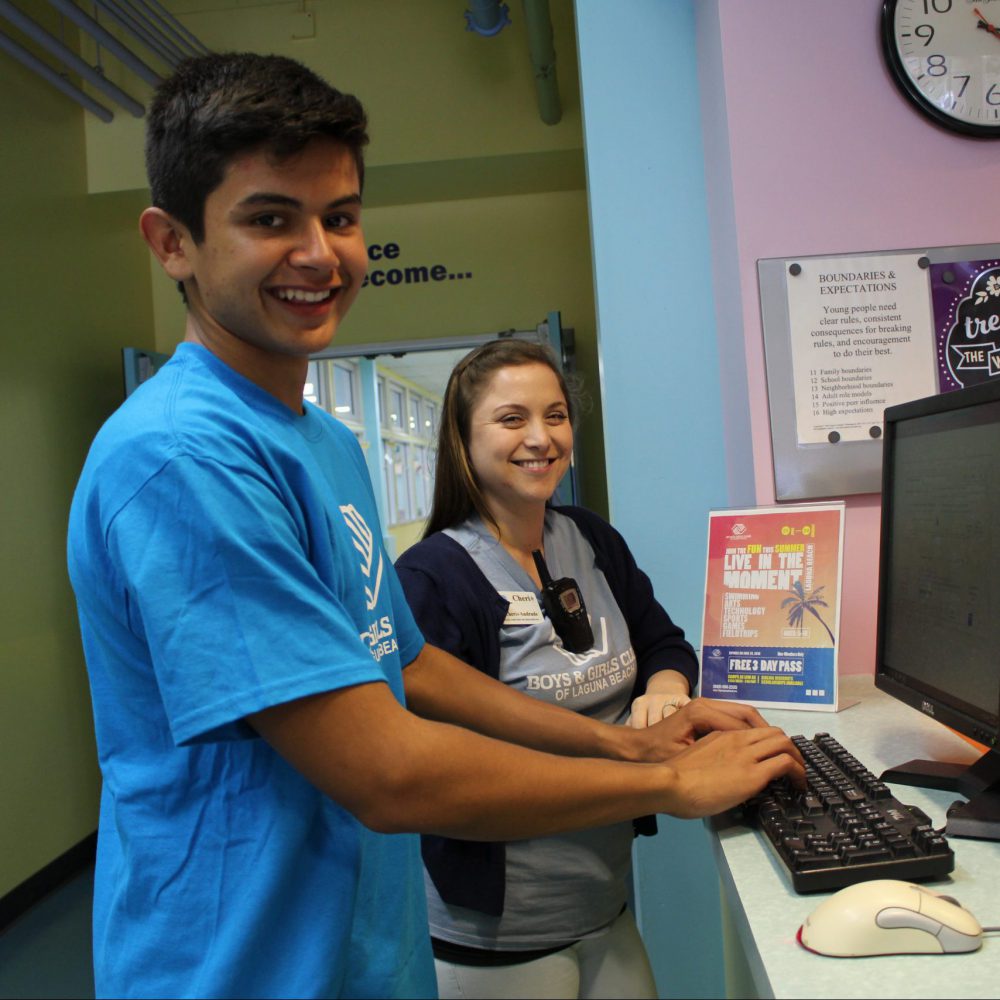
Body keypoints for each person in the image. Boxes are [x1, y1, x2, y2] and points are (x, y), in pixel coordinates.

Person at [67, 51, 804, 1000]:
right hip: (238, 967)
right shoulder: (183, 458)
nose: (317, 254)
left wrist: (626, 741)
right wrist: (666, 786)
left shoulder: (322, 443)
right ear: (172, 243)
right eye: (268, 219)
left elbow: (405, 662)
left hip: (365, 951)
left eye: (338, 217)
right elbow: (387, 774)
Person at [395, 340, 713, 998]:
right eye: (512, 419)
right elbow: (446, 774)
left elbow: (664, 642)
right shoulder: (435, 577)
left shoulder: (591, 538)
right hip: (501, 932)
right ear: (462, 437)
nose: (541, 438)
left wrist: (665, 691)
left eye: (556, 415)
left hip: (604, 904)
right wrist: (653, 775)